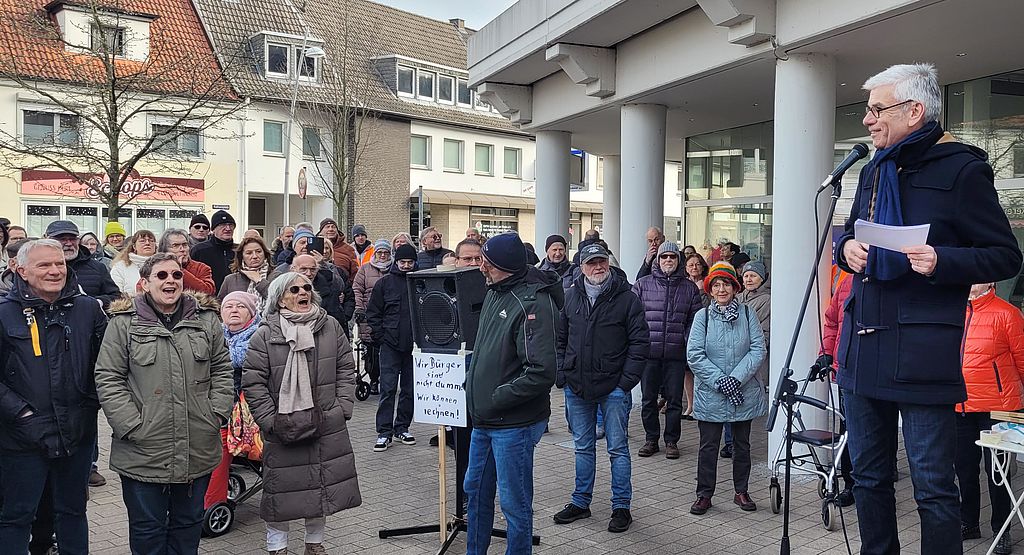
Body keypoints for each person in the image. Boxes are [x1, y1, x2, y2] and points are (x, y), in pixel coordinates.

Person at [835, 64, 1022, 555]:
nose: (868, 120)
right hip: (863, 348)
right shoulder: (874, 167)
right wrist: (846, 250)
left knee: (934, 488)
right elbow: (852, 230)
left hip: (922, 352)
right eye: (868, 110)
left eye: (878, 109)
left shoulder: (962, 169)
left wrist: (942, 260)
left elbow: (1005, 255)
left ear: (914, 110)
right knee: (869, 480)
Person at [95, 252, 233, 554]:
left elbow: (222, 369)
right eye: (161, 275)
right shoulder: (123, 324)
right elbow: (108, 377)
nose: (170, 280)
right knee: (147, 529)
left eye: (176, 275)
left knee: (188, 525)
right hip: (144, 447)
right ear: (144, 283)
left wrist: (217, 414)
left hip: (197, 442)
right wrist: (130, 424)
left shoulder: (205, 319)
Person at [0, 239, 107, 555]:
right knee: (16, 517)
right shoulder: (4, 314)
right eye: (44, 265)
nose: (55, 270)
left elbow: (107, 366)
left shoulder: (88, 309)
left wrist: (91, 404)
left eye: (59, 263)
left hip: (77, 434)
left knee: (73, 512)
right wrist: (21, 415)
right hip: (21, 438)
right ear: (21, 270)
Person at [242, 273, 362, 555]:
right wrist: (270, 421)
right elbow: (254, 382)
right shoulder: (265, 334)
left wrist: (342, 408)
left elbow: (346, 367)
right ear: (280, 298)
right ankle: (278, 547)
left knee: (320, 487)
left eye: (306, 288)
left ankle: (314, 544)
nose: (301, 293)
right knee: (280, 491)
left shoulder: (330, 326)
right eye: (293, 289)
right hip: (283, 427)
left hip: (326, 423)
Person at [464, 232, 562, 555]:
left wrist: (496, 396)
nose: (481, 268)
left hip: (513, 424)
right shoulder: (496, 291)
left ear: (504, 266)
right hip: (485, 420)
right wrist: (472, 381)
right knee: (475, 492)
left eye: (486, 263)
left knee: (514, 504)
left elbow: (541, 371)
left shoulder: (533, 302)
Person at [554, 243, 648, 533]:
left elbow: (640, 344)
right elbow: (559, 339)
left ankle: (621, 507)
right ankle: (581, 502)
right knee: (583, 448)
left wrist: (624, 384)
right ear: (581, 267)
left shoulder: (627, 298)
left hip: (614, 390)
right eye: (592, 262)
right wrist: (563, 375)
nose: (598, 267)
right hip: (577, 387)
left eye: (602, 261)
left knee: (618, 449)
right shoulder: (570, 297)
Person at [686, 262, 767, 516]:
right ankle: (704, 494)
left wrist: (736, 379)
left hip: (743, 392)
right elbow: (695, 355)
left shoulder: (747, 314)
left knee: (742, 445)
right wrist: (721, 380)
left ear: (735, 287)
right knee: (708, 446)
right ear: (710, 289)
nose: (722, 289)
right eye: (717, 285)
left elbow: (758, 349)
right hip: (711, 392)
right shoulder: (703, 317)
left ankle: (741, 490)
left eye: (727, 284)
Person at [956, 283, 1024, 554]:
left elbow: (1022, 358)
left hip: (999, 407)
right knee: (964, 469)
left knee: (998, 473)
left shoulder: (1007, 313)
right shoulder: (952, 310)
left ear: (991, 282)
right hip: (960, 406)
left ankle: (1002, 530)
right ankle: (968, 522)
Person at [632, 242, 704, 459]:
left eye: (672, 257)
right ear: (658, 260)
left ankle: (671, 441)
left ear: (678, 260)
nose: (668, 261)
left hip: (676, 354)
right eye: (664, 257)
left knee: (674, 400)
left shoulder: (689, 288)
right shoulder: (643, 285)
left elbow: (696, 320)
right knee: (648, 399)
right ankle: (651, 439)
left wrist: (685, 341)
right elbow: (632, 317)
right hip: (650, 353)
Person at [366, 243, 418, 451]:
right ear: (396, 262)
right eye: (402, 262)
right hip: (390, 344)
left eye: (410, 262)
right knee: (387, 389)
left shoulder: (420, 283)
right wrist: (381, 336)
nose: (406, 266)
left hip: (414, 346)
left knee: (409, 389)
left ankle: (402, 427)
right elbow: (373, 312)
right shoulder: (384, 283)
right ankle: (383, 431)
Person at [723, 260, 771, 459]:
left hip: (749, 360)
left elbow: (758, 332)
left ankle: (738, 444)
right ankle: (728, 442)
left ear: (762, 278)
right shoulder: (738, 297)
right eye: (746, 275)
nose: (749, 279)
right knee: (728, 399)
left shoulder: (766, 300)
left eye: (753, 276)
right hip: (729, 358)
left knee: (742, 404)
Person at [45, 220, 120, 309]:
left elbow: (116, 296)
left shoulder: (97, 268)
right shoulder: (36, 268)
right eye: (62, 239)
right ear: (47, 240)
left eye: (72, 239)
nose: (69, 243)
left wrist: (96, 302)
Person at [354, 239, 392, 395]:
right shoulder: (365, 269)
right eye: (380, 252)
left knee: (387, 349)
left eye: (386, 252)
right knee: (371, 350)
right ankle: (374, 379)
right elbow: (357, 289)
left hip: (389, 314)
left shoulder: (393, 269)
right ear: (375, 253)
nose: (382, 255)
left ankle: (386, 380)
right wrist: (359, 308)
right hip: (369, 314)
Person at [290, 254, 354, 334]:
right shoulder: (284, 288)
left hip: (325, 334)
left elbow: (338, 317)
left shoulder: (330, 286)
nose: (309, 273)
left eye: (313, 269)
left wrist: (346, 316)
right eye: (303, 269)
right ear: (293, 269)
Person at [219, 236, 274, 311]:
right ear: (241, 257)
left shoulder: (276, 276)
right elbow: (220, 306)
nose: (254, 256)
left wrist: (259, 281)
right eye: (249, 253)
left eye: (258, 251)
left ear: (265, 254)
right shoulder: (230, 280)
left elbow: (278, 300)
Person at [189, 210, 236, 292]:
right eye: (222, 225)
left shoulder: (239, 250)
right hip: (208, 300)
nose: (228, 228)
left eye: (231, 225)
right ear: (213, 230)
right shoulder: (199, 250)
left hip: (235, 300)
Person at [159, 228, 215, 295]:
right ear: (165, 250)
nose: (182, 249)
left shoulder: (202, 268)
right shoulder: (157, 268)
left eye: (185, 245)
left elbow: (208, 291)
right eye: (175, 245)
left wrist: (180, 269)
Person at [109, 229, 157, 296]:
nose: (147, 243)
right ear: (134, 246)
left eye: (151, 241)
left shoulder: (164, 265)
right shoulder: (120, 267)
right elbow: (115, 293)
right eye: (142, 241)